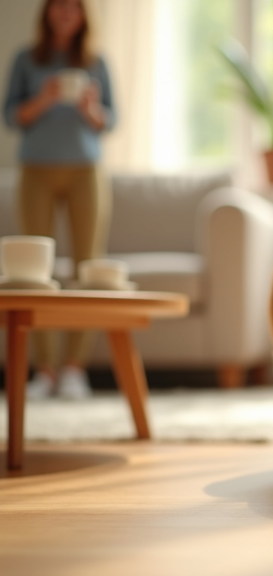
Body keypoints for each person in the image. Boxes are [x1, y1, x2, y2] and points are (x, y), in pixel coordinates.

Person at [2, 0, 115, 399]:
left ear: (84, 15)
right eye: (59, 5)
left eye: (74, 7)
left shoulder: (95, 60)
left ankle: (73, 369)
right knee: (33, 272)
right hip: (35, 170)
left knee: (88, 267)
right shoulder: (26, 60)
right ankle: (44, 370)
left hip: (86, 171)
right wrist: (46, 98)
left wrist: (90, 109)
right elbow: (12, 116)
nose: (66, 13)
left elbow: (110, 121)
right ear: (48, 11)